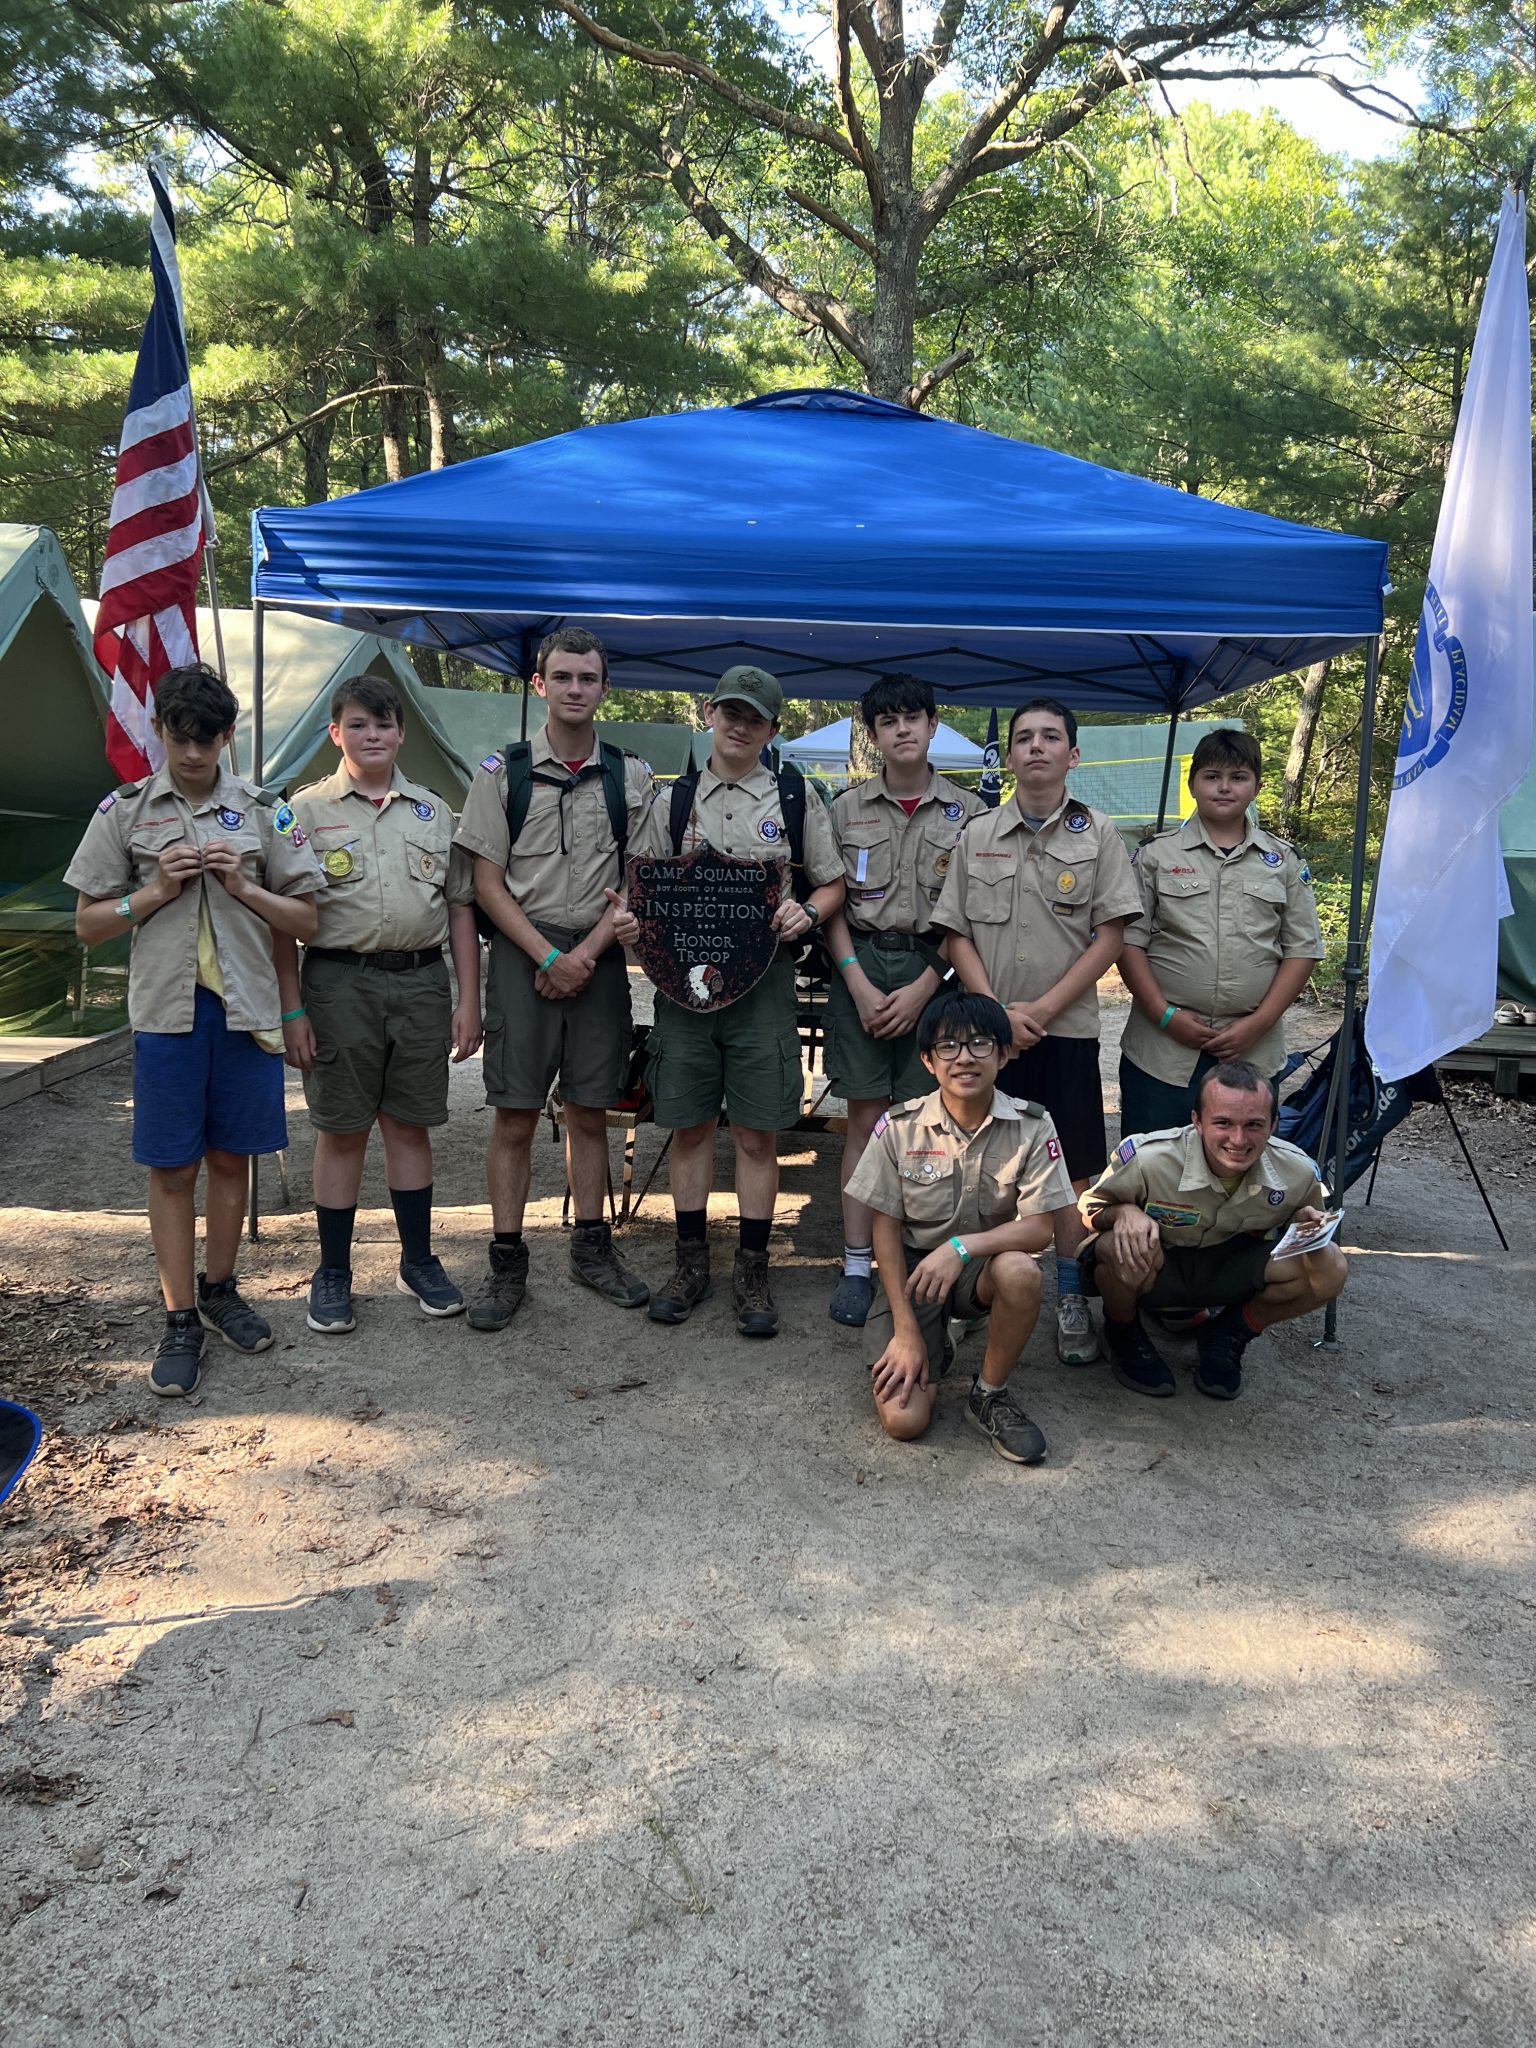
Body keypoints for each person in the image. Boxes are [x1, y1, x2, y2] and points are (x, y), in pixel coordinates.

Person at [66, 662, 322, 1397]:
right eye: (181, 738)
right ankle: (179, 1318)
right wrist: (152, 892)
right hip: (167, 1015)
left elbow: (306, 920)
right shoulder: (124, 811)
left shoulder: (264, 809)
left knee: (232, 1158)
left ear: (228, 735)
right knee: (172, 1168)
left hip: (243, 1010)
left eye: (208, 740)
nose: (193, 754)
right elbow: (86, 926)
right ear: (160, 732)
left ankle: (219, 1288)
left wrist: (244, 886)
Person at [612, 665, 845, 1338]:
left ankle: (751, 1267)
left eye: (756, 718)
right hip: (683, 990)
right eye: (730, 712)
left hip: (764, 987)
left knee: (755, 1132)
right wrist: (633, 925)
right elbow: (642, 889)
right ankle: (690, 1264)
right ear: (710, 713)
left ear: (773, 729)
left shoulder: (797, 798)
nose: (740, 726)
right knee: (688, 1127)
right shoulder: (673, 800)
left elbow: (830, 884)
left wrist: (808, 910)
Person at [452, 628, 656, 1326]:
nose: (575, 688)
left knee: (590, 1110)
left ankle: (592, 1249)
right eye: (561, 676)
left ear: (605, 687)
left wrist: (586, 955)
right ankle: (506, 1263)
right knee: (513, 1112)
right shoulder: (500, 773)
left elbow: (639, 878)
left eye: (587, 677)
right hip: (523, 955)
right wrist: (546, 956)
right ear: (538, 685)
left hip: (596, 960)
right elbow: (484, 877)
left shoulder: (631, 776)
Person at [932, 698, 1142, 1366]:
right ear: (1010, 755)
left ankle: (1071, 1291)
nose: (1037, 747)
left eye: (1052, 737)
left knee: (1073, 1170)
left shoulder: (1098, 835)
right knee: (980, 1159)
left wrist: (1041, 1012)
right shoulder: (977, 832)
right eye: (1024, 738)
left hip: (1065, 1031)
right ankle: (974, 1290)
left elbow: (1111, 935)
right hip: (985, 1036)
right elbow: (954, 929)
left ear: (1073, 755)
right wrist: (998, 1016)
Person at [273, 674, 483, 1334]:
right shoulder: (300, 813)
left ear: (401, 732)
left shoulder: (431, 811)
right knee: (340, 1129)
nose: (372, 735)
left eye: (384, 724)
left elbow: (458, 909)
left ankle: (417, 1259)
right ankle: (332, 1270)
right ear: (335, 732)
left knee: (409, 1125)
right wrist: (291, 1010)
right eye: (358, 724)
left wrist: (467, 997)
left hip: (420, 983)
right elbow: (282, 920)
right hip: (339, 984)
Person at [848, 991, 1075, 1464]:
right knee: (904, 1422)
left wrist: (962, 1248)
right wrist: (906, 1331)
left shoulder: (1034, 1126)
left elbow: (1038, 1231)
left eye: (979, 1044)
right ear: (928, 1061)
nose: (965, 1058)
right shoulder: (899, 1128)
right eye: (947, 1047)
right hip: (913, 1274)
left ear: (1005, 1053)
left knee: (1021, 1271)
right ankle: (940, 1335)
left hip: (978, 1267)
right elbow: (884, 1233)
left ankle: (989, 1394)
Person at [822, 675, 985, 1328]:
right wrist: (858, 982)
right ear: (872, 734)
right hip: (860, 961)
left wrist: (926, 988)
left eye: (912, 718)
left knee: (931, 1122)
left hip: (935, 968)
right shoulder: (845, 809)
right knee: (865, 1122)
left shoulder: (968, 813)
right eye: (886, 721)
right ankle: (858, 1263)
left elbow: (967, 911)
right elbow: (830, 901)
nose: (901, 730)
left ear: (933, 725)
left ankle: (922, 1260)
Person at [1076, 1059, 1347, 1401]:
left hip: (1231, 1271)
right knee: (1122, 1244)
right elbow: (1089, 1210)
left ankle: (1231, 1332)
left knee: (1330, 1265)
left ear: (1274, 1124)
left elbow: (1308, 1234)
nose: (1238, 1139)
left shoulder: (1297, 1171)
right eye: (1223, 1123)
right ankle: (1122, 1329)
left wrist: (1302, 1228)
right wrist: (1122, 1212)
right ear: (1197, 1122)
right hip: (1159, 1269)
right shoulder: (1149, 1158)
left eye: (1254, 1125)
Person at [1118, 726, 1324, 1135]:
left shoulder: (1280, 861)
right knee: (1151, 1163)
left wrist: (1260, 1022)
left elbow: (1302, 949)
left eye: (1238, 777)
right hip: (1162, 1046)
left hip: (1252, 1046)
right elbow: (1128, 941)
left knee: (1237, 1163)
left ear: (1257, 787)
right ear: (1192, 784)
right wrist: (1164, 1015)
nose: (1224, 788)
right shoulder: (1156, 856)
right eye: (1212, 776)